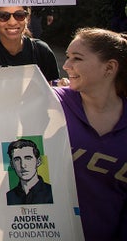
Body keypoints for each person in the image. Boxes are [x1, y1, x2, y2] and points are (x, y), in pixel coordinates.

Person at [57, 28, 127, 240]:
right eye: (67, 57)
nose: (66, 66)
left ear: (110, 67)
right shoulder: (51, 103)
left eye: (77, 58)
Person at [5, 139, 54, 206]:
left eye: (28, 158)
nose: (22, 165)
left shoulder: (52, 192)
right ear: (12, 164)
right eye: (17, 159)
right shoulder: (9, 196)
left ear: (38, 161)